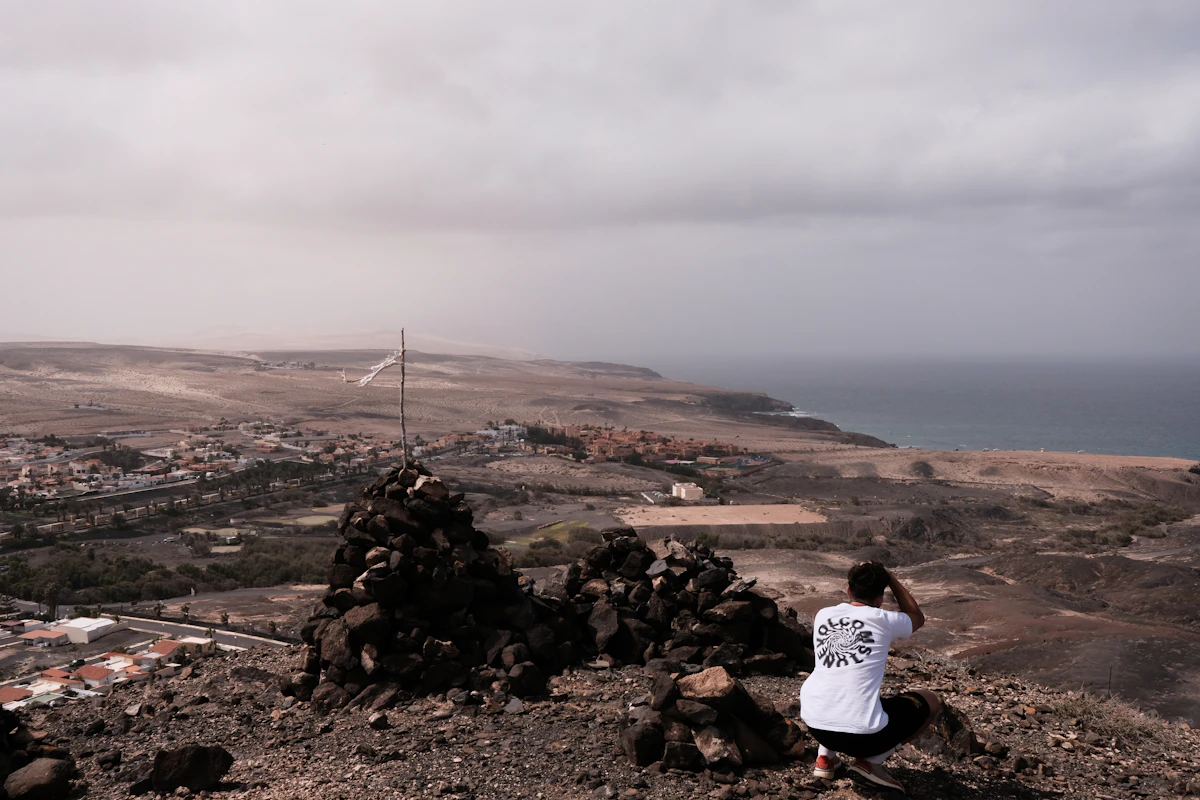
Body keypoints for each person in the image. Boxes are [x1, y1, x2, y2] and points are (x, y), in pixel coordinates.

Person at [798, 562, 942, 794]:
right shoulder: (884, 619)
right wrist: (891, 578)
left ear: (848, 591)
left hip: (814, 724)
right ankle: (870, 762)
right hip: (862, 738)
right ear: (880, 598)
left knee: (836, 684)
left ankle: (825, 759)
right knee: (931, 701)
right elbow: (916, 616)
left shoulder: (823, 615)